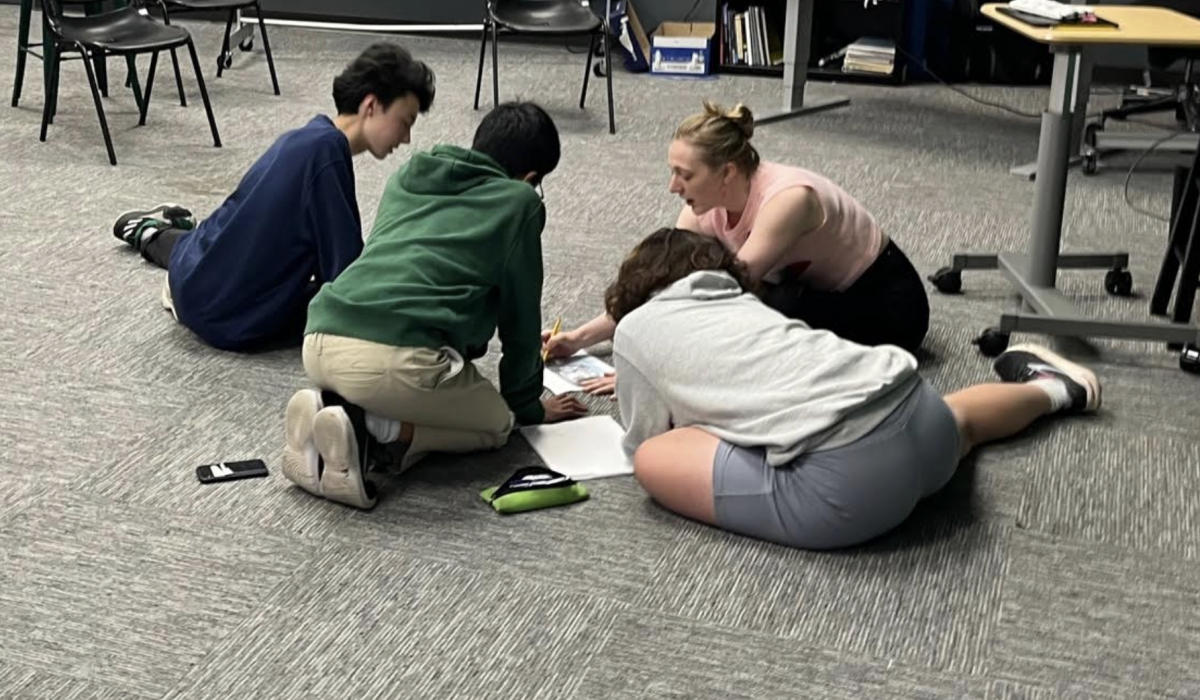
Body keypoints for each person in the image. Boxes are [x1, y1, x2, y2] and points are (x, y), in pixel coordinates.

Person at [607, 228, 1101, 550]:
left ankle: (1054, 391)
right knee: (962, 423)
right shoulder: (739, 301)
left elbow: (647, 437)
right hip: (911, 404)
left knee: (655, 457)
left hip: (850, 488)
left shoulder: (635, 329)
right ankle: (1056, 390)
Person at [283, 101, 588, 510]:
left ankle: (334, 407)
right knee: (498, 425)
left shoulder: (411, 173)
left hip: (319, 337)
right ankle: (373, 430)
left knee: (409, 381)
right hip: (394, 359)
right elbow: (519, 321)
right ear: (531, 178)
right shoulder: (520, 203)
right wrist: (529, 407)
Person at [545, 100, 930, 395]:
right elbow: (661, 287)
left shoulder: (787, 200)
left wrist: (646, 375)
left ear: (727, 172)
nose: (673, 187)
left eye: (685, 175)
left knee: (753, 316)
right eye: (672, 171)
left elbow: (717, 298)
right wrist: (579, 338)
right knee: (748, 307)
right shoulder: (703, 207)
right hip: (812, 291)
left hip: (888, 305)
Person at [111, 42, 436, 352]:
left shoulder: (307, 136)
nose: (406, 138)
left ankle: (154, 231)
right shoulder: (328, 156)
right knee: (363, 307)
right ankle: (158, 232)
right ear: (371, 106)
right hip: (229, 320)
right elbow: (346, 280)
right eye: (404, 122)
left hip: (194, 280)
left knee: (216, 235)